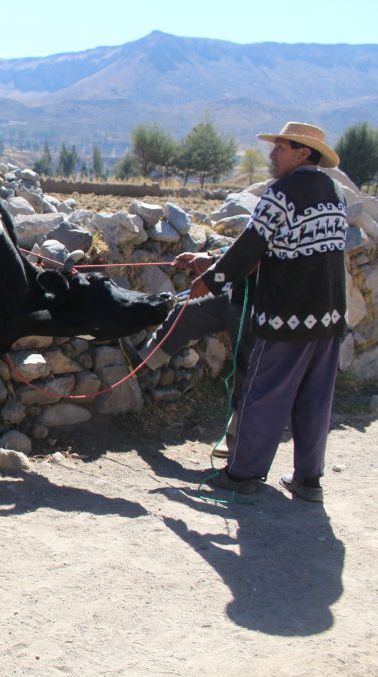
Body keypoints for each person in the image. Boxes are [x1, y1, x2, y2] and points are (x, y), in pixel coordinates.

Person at [192, 122, 347, 503]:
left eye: (281, 147)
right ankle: (309, 481)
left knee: (263, 393)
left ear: (303, 153)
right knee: (315, 398)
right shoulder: (335, 192)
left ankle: (243, 472)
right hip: (329, 318)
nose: (273, 155)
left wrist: (210, 281)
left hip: (287, 317)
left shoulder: (280, 193)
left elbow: (251, 248)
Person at [137, 248, 253, 457]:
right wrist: (211, 255)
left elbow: (257, 251)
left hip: (257, 304)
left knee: (247, 368)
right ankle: (139, 365)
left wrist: (213, 263)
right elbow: (246, 241)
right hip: (233, 294)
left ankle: (237, 438)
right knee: (186, 314)